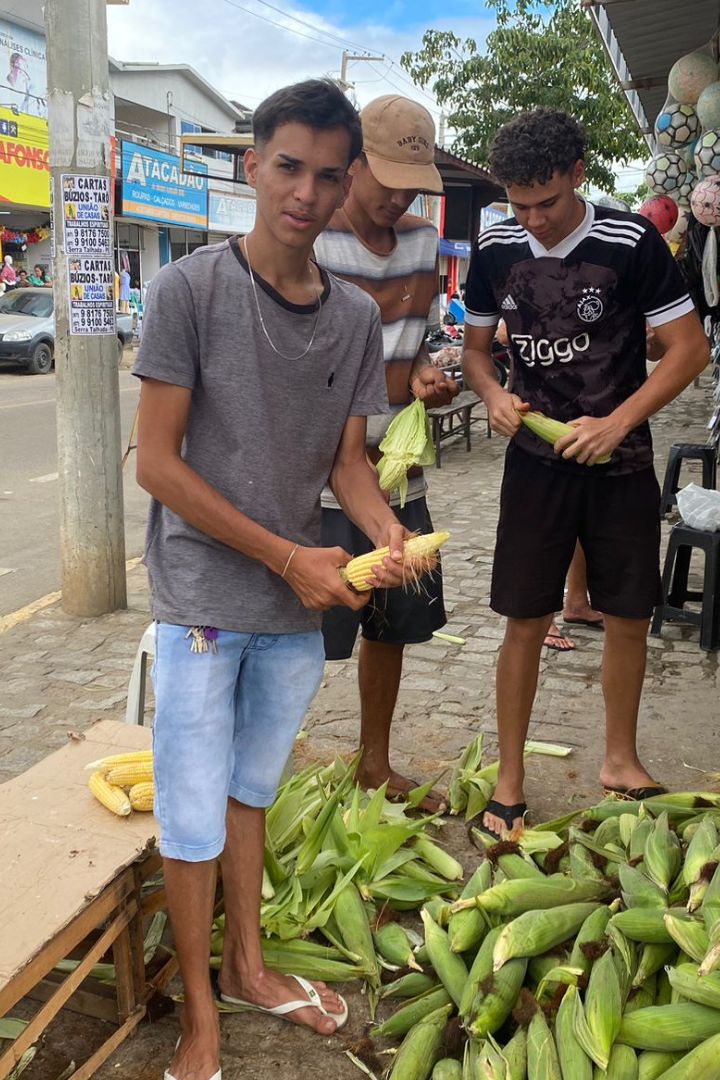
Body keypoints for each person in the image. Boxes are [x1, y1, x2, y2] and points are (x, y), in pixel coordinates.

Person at [133, 78, 407, 1080]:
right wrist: (290, 556)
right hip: (206, 601)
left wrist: (386, 535)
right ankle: (198, 1013)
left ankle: (247, 965)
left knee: (251, 793)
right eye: (287, 165)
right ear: (250, 166)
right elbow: (158, 463)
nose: (305, 192)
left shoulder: (354, 320)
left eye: (327, 176)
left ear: (347, 188)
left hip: (294, 612)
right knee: (193, 812)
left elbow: (347, 466)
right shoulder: (187, 292)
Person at [462, 109, 709, 837]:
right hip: (535, 462)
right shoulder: (496, 248)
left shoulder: (630, 240)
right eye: (519, 204)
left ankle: (621, 761)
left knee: (630, 614)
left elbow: (689, 349)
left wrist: (618, 422)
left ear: (579, 174)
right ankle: (509, 779)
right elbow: (477, 351)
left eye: (548, 202)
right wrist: (493, 394)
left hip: (620, 459)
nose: (533, 220)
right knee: (524, 618)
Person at [313, 94, 458, 811]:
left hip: (394, 469)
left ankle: (375, 760)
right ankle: (269, 772)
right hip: (313, 475)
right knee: (301, 632)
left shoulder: (424, 243)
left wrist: (427, 375)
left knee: (389, 628)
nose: (398, 194)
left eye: (413, 181)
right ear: (353, 160)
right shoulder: (311, 237)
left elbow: (416, 340)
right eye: (387, 176)